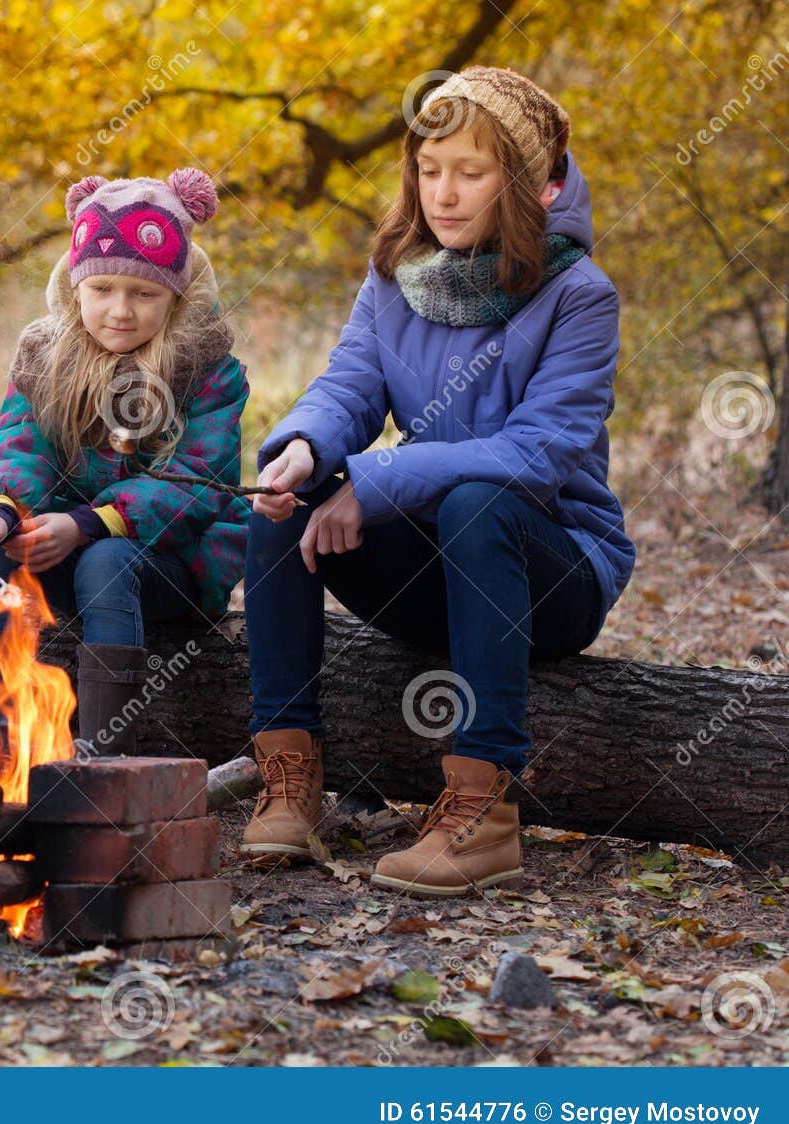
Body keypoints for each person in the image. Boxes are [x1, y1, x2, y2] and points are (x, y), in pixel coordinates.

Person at [242, 67, 636, 897]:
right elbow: (350, 386)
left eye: (472, 171)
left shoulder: (579, 295)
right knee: (285, 504)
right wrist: (309, 450)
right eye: (429, 169)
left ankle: (483, 811)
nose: (444, 194)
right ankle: (288, 777)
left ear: (521, 182)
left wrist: (378, 479)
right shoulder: (394, 275)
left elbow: (539, 454)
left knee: (478, 501)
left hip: (549, 574)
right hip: (437, 568)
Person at [0, 168, 253, 755]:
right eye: (102, 290)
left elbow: (199, 484)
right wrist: (4, 508)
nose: (120, 310)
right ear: (75, 289)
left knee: (108, 559)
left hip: (176, 563)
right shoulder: (46, 356)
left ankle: (104, 754)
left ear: (175, 295)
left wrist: (90, 523)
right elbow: (18, 442)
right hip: (68, 543)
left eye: (144, 293)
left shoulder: (207, 368)